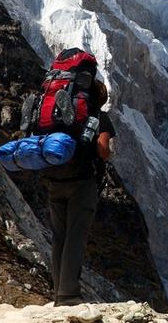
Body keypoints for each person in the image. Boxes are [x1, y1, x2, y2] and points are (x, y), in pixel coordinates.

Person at [45, 79, 116, 306]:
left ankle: (59, 292)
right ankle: (69, 295)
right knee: (76, 237)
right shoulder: (99, 118)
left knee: (59, 237)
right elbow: (103, 150)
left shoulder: (61, 117)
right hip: (82, 184)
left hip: (55, 179)